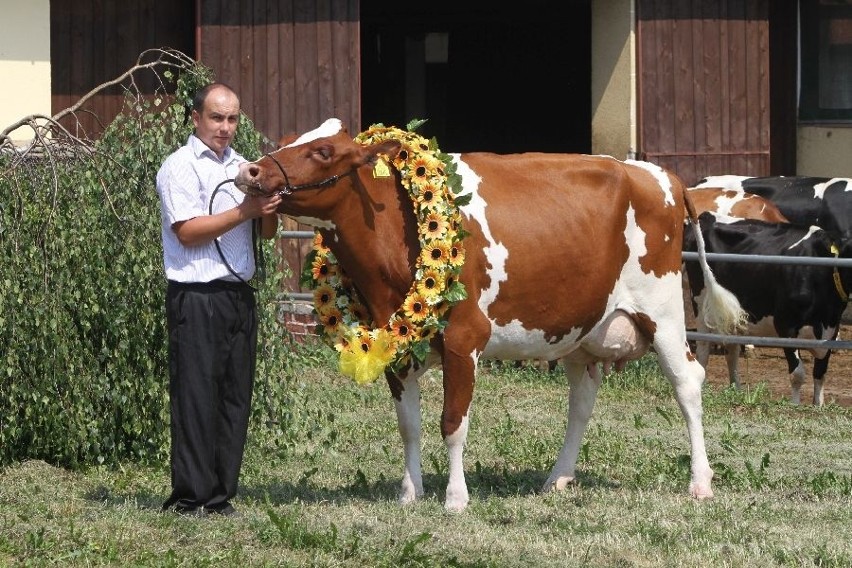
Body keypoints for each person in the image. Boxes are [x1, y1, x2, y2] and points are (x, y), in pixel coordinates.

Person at [155, 82, 281, 517]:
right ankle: (189, 499)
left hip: (238, 295)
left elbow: (267, 233)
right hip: (196, 293)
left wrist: (266, 204)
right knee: (195, 396)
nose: (225, 128)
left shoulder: (246, 167)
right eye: (216, 118)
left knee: (233, 396)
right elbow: (187, 233)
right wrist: (245, 211)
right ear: (195, 118)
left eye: (232, 119)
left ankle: (220, 495)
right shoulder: (179, 167)